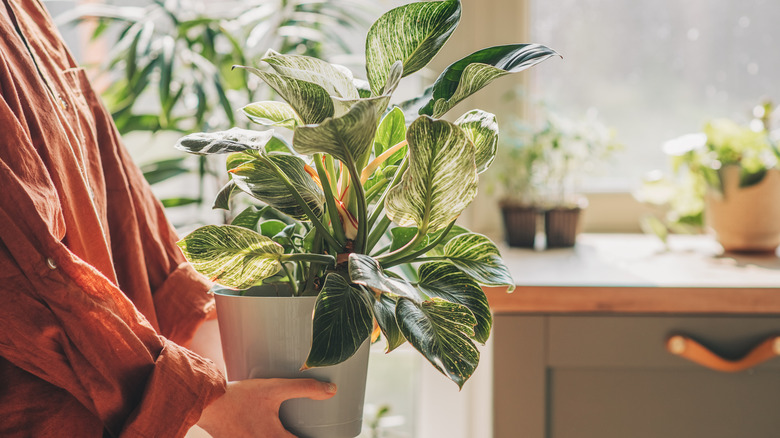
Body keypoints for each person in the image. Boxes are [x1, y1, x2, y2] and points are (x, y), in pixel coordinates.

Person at [0, 0, 335, 436]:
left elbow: (120, 197)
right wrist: (207, 399)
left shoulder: (26, 11)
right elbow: (24, 271)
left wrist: (226, 362)